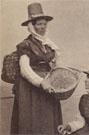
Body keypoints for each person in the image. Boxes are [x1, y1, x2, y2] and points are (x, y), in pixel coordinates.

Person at [10, 2, 62, 135]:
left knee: (47, 119)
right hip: (30, 89)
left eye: (44, 24)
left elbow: (56, 64)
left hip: (48, 85)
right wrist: (41, 82)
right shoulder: (25, 45)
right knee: (32, 120)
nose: (42, 27)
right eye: (39, 24)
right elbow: (25, 69)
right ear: (32, 26)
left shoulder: (49, 44)